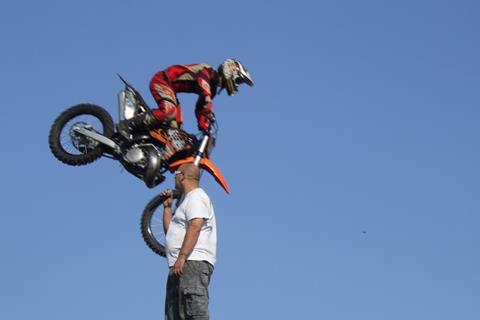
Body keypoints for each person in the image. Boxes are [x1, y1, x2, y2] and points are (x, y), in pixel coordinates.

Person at [117, 59, 254, 139]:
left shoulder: (210, 91)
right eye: (238, 80)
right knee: (169, 112)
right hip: (162, 81)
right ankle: (128, 125)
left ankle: (146, 144)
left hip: (171, 91)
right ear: (231, 71)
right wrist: (207, 97)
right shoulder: (207, 71)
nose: (236, 84)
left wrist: (205, 127)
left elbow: (200, 109)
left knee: (176, 134)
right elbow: (202, 80)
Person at [160, 163, 217, 320]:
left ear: (182, 176)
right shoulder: (185, 201)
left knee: (194, 310)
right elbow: (170, 232)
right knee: (175, 314)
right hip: (179, 265)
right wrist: (167, 209)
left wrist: (182, 256)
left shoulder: (197, 197)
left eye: (176, 174)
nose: (174, 178)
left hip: (192, 262)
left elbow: (195, 226)